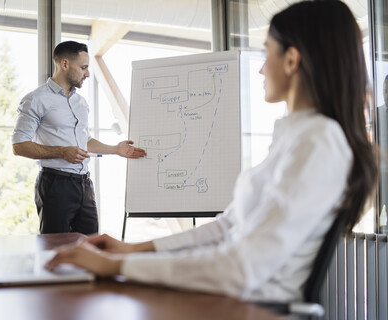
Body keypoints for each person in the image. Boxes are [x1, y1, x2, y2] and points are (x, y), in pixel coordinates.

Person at [45, 0, 379, 302]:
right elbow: (227, 226)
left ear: (292, 60)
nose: (261, 69)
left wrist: (117, 265)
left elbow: (241, 267)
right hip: (230, 298)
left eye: (267, 53)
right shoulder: (297, 136)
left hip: (249, 306)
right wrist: (132, 250)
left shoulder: (318, 143)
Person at [12, 41, 146, 235]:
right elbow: (19, 146)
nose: (88, 74)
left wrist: (115, 149)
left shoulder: (80, 103)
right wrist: (61, 152)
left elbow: (86, 140)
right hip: (55, 184)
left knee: (92, 245)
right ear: (65, 64)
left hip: (84, 185)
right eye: (83, 68)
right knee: (56, 249)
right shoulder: (36, 99)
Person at [377, 75, 388, 232]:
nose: (386, 95)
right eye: (385, 91)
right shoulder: (376, 113)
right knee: (379, 210)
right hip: (380, 171)